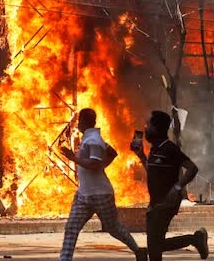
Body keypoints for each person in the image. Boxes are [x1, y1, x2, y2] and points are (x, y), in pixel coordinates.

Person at [58, 108, 147, 261]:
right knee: (71, 229)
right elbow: (112, 152)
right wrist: (102, 165)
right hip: (84, 194)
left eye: (79, 121)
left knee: (113, 228)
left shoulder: (93, 141)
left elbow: (94, 164)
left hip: (101, 194)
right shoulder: (91, 138)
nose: (77, 124)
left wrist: (74, 158)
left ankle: (138, 250)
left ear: (84, 122)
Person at [130, 110, 209, 260]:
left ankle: (195, 239)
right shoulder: (154, 149)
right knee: (156, 247)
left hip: (166, 202)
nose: (145, 128)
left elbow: (192, 168)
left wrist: (178, 187)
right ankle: (195, 239)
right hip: (156, 202)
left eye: (148, 125)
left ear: (156, 128)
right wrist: (141, 156)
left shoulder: (170, 149)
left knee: (154, 248)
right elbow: (152, 172)